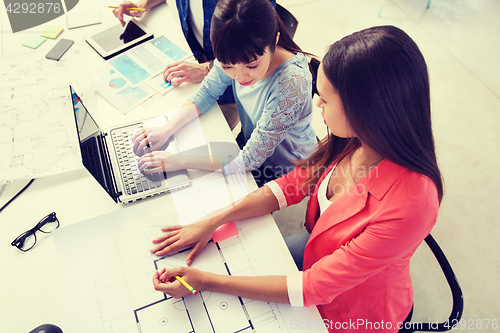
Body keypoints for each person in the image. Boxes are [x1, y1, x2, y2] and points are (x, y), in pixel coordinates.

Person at [148, 25, 444, 332]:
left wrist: (205, 282)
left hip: (351, 312)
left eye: (326, 100)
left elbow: (313, 287)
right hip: (319, 251)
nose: (316, 104)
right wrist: (214, 219)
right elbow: (294, 183)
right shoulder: (357, 139)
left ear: (367, 109)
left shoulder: (413, 202)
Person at [132, 0, 317, 187]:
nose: (239, 76)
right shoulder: (234, 50)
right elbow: (208, 91)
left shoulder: (291, 83)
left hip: (287, 169)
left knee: (201, 189)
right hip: (251, 143)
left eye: (252, 65)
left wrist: (178, 160)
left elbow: (248, 161)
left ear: (274, 41)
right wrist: (167, 129)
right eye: (227, 66)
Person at [113, 0, 275, 130]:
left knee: (202, 138)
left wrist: (207, 68)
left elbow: (257, 46)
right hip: (202, 61)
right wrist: (143, 4)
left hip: (231, 87)